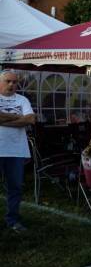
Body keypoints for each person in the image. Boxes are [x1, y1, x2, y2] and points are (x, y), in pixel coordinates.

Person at [0, 70, 36, 233]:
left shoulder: (22, 99)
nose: (12, 85)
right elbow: (24, 119)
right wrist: (17, 118)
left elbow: (30, 119)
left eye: (15, 82)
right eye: (8, 81)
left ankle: (12, 219)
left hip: (16, 151)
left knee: (15, 187)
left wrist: (4, 119)